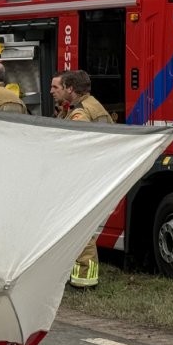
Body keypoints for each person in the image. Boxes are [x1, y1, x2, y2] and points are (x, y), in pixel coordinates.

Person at [59, 69, 114, 288]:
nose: (60, 91)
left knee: (82, 228)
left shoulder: (80, 113)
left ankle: (84, 279)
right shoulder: (96, 106)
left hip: (84, 177)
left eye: (61, 87)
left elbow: (76, 145)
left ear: (70, 89)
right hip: (99, 173)